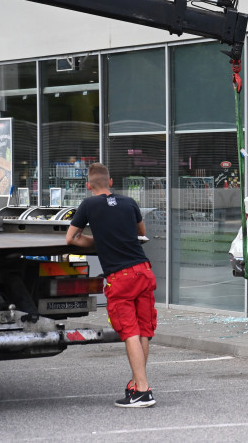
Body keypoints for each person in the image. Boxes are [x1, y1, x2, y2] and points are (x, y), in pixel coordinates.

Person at [66, 162, 157, 408]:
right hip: (144, 271)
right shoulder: (129, 203)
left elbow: (71, 238)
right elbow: (141, 232)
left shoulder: (88, 205)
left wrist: (98, 241)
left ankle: (142, 390)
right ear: (111, 182)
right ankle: (137, 385)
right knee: (143, 331)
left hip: (121, 278)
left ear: (88, 186)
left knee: (130, 333)